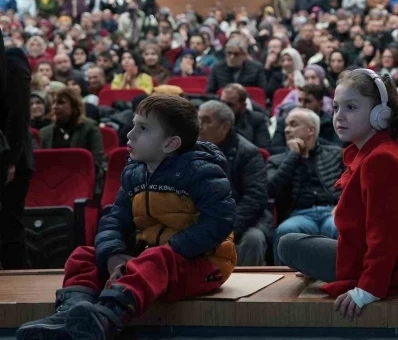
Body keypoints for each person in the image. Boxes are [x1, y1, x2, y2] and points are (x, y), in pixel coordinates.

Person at [16, 95, 237, 339]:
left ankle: (107, 318)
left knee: (157, 257)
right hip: (149, 260)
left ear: (170, 144)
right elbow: (113, 219)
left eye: (142, 129)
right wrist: (113, 255)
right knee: (84, 255)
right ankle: (70, 315)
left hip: (202, 263)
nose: (130, 135)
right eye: (133, 125)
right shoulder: (134, 174)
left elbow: (219, 222)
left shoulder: (202, 171)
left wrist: (169, 250)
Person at [277, 69, 398, 318]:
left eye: (351, 107)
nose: (339, 116)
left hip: (391, 269)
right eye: (335, 107)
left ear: (380, 114)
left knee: (287, 244)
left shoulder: (382, 159)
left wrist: (368, 289)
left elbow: (386, 235)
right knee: (297, 243)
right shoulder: (382, 149)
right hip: (392, 259)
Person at [267, 107, 345, 265]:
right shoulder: (277, 160)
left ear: (310, 130)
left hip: (332, 211)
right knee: (285, 232)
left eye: (293, 124)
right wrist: (293, 156)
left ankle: (346, 278)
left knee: (342, 228)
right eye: (286, 125)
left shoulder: (336, 154)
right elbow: (270, 189)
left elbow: (352, 184)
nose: (287, 130)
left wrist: (342, 205)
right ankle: (285, 285)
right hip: (299, 214)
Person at [198, 101, 271, 266]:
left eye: (206, 121)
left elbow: (255, 198)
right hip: (204, 218)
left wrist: (226, 228)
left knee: (253, 239)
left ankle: (247, 289)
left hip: (243, 220)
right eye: (198, 120)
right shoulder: (190, 151)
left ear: (225, 127)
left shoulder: (249, 153)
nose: (200, 126)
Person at [0, 45, 33, 269]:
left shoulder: (14, 61)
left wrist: (11, 159)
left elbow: (19, 116)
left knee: (10, 229)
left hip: (13, 158)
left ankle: (21, 297)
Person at [39, 87, 104, 172]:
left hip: (81, 178)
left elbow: (97, 161)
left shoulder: (90, 128)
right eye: (53, 103)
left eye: (61, 103)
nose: (55, 106)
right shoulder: (44, 132)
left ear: (74, 106)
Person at [271, 84, 340, 154]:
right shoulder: (284, 121)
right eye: (299, 100)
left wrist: (310, 139)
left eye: (307, 101)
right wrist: (296, 149)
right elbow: (274, 150)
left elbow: (338, 149)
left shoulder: (333, 123)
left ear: (320, 104)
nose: (301, 105)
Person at [219, 84, 270, 149]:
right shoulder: (215, 118)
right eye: (222, 102)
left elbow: (264, 149)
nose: (224, 107)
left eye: (230, 105)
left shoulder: (257, 120)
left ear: (243, 106)